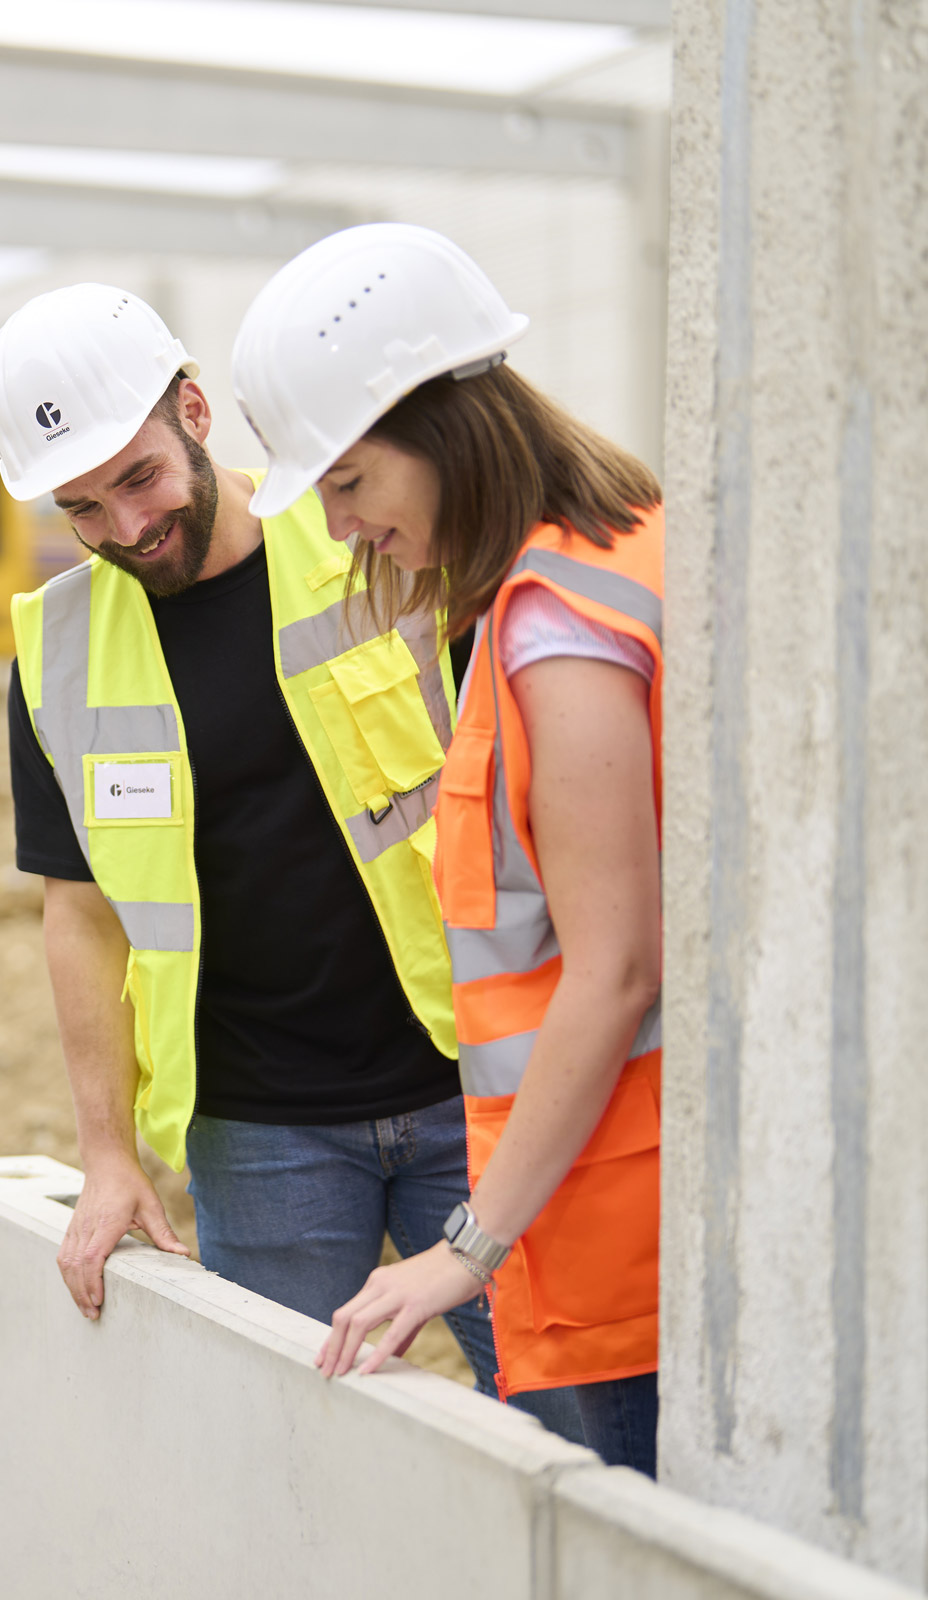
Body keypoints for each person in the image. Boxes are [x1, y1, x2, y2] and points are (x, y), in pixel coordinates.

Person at [0, 282, 562, 1428]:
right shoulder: (54, 650)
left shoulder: (372, 542)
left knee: (567, 1407)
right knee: (291, 1448)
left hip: (475, 1084)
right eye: (81, 507)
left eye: (137, 479)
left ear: (194, 411)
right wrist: (106, 1153)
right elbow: (81, 913)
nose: (125, 528)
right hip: (260, 1135)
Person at [231, 224, 666, 1473]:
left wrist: (462, 1248)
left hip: (615, 1237)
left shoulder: (555, 634)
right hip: (611, 1208)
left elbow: (614, 969)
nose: (340, 523)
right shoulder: (614, 548)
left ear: (442, 426)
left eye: (352, 480)